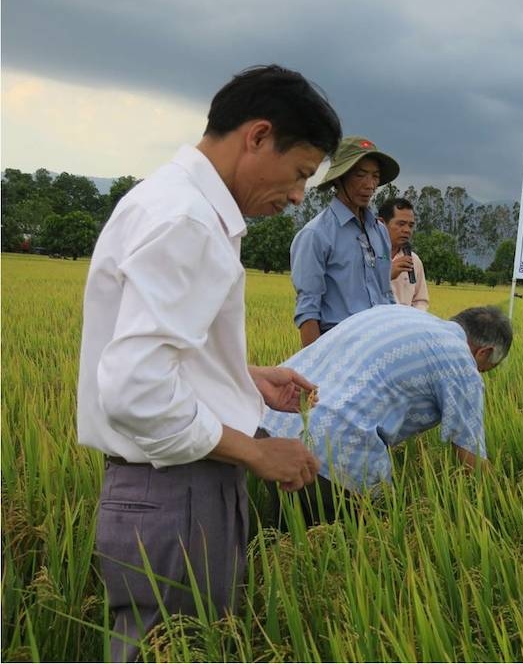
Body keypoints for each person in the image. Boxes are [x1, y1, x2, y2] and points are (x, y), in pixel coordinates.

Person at [76, 64, 339, 661]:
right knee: (175, 649)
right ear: (257, 135)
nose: (298, 195)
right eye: (299, 173)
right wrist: (256, 451)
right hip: (177, 492)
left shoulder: (168, 199)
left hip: (167, 487)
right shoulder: (188, 221)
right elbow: (136, 391)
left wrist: (240, 376)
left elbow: (150, 354)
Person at [260, 304, 512, 527]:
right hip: (329, 451)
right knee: (361, 543)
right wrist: (506, 504)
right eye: (485, 369)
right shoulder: (461, 362)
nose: (479, 373)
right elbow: (470, 456)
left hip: (271, 422)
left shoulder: (398, 312)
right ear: (484, 352)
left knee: (288, 533)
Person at [290, 136, 400, 347]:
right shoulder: (316, 234)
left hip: (380, 344)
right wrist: (314, 369)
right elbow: (308, 310)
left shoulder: (380, 232)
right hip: (341, 347)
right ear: (339, 179)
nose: (370, 185)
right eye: (360, 175)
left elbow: (386, 294)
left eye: (375, 176)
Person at [378, 197, 430, 310]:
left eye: (410, 225)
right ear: (381, 224)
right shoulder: (368, 256)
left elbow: (420, 300)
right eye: (401, 224)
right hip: (376, 324)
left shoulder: (414, 260)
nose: (407, 230)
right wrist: (387, 274)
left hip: (406, 325)